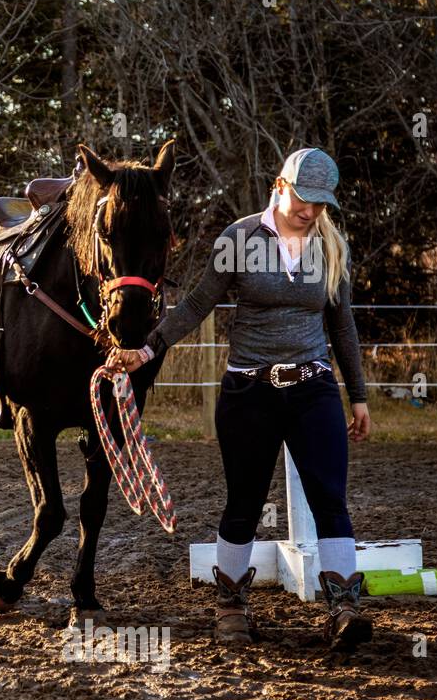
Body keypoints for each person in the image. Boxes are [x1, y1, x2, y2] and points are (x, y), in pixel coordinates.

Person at [109, 147, 372, 652]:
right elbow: (196, 304)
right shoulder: (239, 239)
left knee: (330, 499)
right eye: (303, 199)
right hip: (249, 391)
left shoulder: (332, 247)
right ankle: (230, 604)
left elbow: (342, 325)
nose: (311, 212)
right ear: (280, 185)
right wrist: (147, 348)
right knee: (245, 501)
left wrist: (357, 395)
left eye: (320, 204)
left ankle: (342, 607)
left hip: (313, 387)